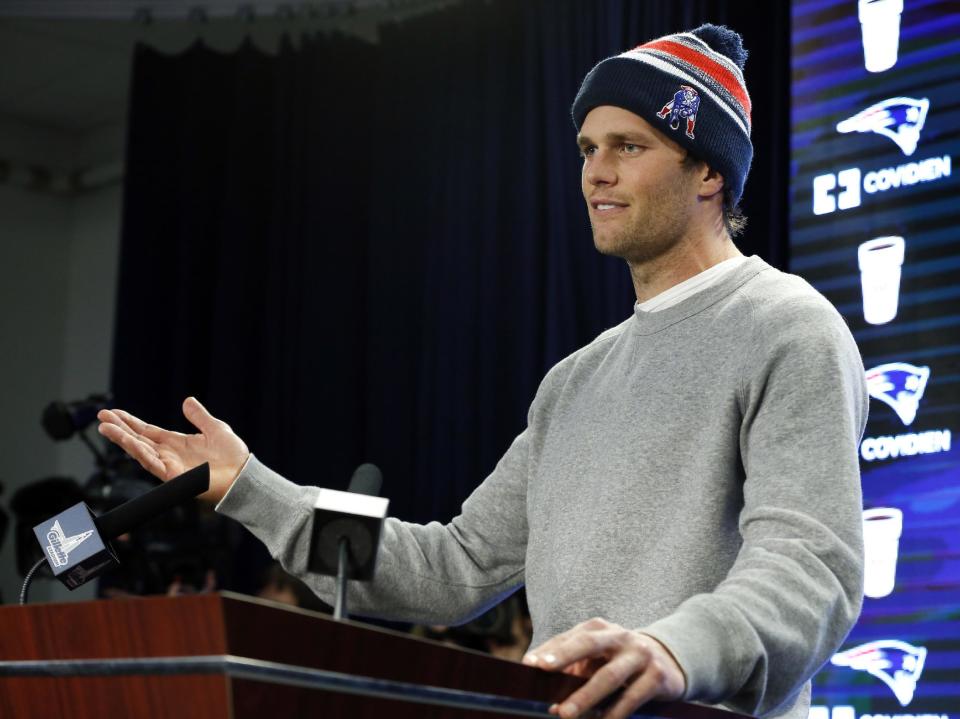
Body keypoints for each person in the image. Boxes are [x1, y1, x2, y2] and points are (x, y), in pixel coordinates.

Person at [97, 24, 868, 719]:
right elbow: (455, 564)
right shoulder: (574, 381)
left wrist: (675, 651)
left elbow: (812, 566)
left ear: (708, 174)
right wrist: (250, 486)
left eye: (628, 146)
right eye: (586, 148)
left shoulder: (786, 326)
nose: (595, 172)